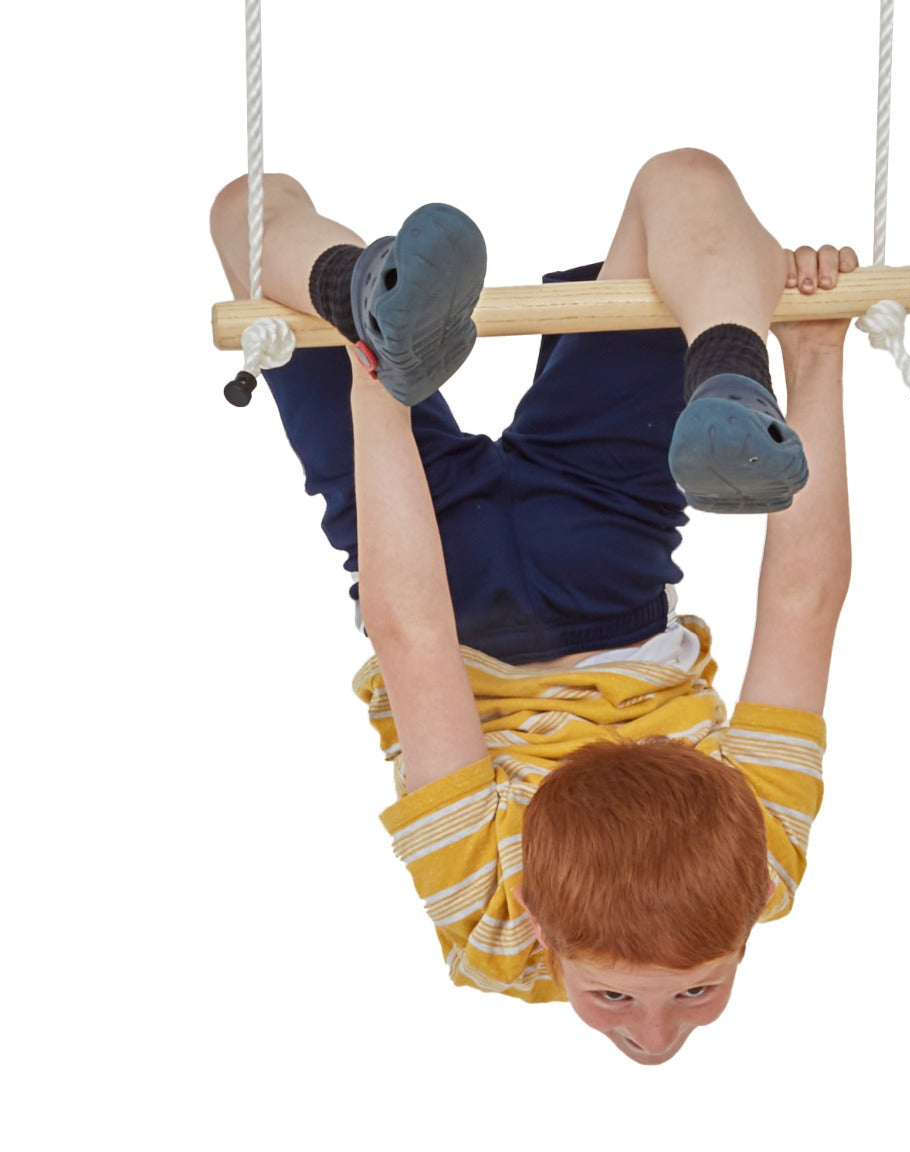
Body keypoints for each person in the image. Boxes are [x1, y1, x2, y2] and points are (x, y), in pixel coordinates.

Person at [210, 148, 856, 1065]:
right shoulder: (750, 871)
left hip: (449, 572)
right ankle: (728, 370)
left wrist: (376, 379)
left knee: (247, 206)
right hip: (600, 557)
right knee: (685, 181)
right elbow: (805, 603)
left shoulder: (492, 925)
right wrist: (814, 355)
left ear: (547, 940)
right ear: (741, 940)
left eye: (610, 993)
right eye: (699, 988)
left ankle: (368, 292)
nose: (654, 1030)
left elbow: (418, 634)